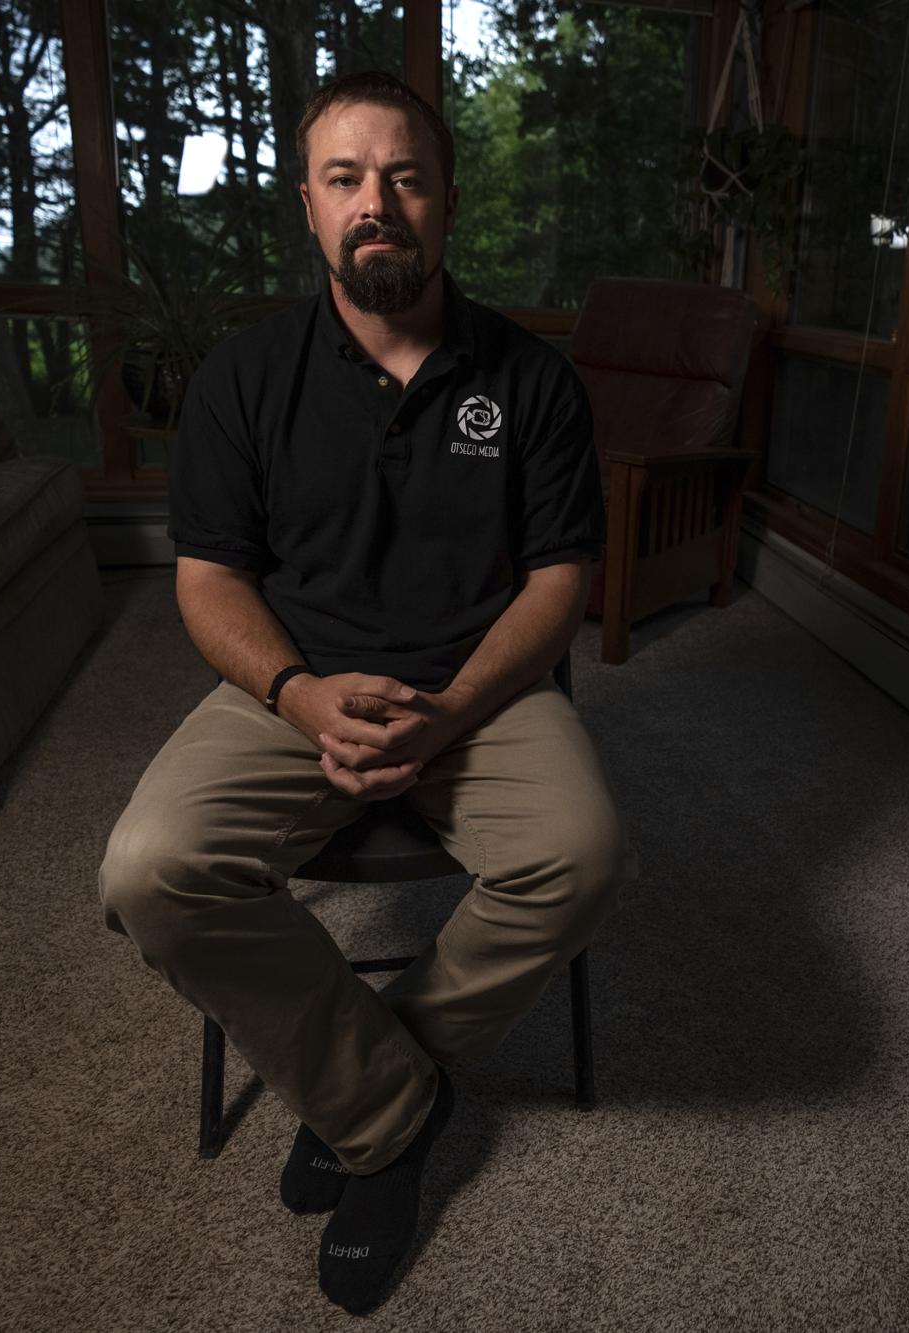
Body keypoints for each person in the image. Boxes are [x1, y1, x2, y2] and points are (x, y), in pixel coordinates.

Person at [97, 70, 640, 1315]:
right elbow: (207, 581)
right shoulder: (242, 376)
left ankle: (353, 1080)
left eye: (401, 175)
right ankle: (387, 1114)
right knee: (147, 869)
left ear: (447, 199)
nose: (374, 202)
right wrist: (294, 694)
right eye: (344, 178)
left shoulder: (531, 379)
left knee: (583, 853)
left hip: (482, 688)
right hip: (293, 682)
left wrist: (450, 709)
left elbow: (560, 583)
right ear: (308, 205)